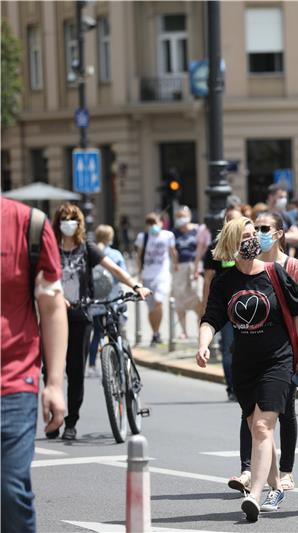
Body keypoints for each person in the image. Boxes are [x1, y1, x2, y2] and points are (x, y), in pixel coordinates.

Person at [196, 217, 298, 522]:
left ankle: (255, 495)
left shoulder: (276, 274)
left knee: (262, 427)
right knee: (256, 427)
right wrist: (203, 344)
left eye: (255, 234)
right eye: (245, 236)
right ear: (232, 244)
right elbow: (211, 318)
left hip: (278, 360)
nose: (252, 240)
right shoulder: (224, 282)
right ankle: (275, 486)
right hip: (244, 365)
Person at [227, 212, 298, 495]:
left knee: (285, 410)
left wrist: (284, 311)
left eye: (264, 228)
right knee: (252, 413)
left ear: (279, 233)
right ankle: (248, 469)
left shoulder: (292, 266)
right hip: (254, 345)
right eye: (255, 228)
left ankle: (286, 471)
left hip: (285, 347)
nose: (258, 232)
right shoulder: (246, 268)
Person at [53, 204, 149, 440]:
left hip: (80, 315)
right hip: (54, 316)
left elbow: (114, 268)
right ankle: (53, 416)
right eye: (64, 219)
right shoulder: (51, 249)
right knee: (51, 370)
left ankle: (71, 423)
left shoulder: (87, 248)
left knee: (75, 371)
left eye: (72, 219)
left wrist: (135, 285)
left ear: (79, 223)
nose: (68, 223)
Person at [1, 198, 68, 533]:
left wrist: (54, 383)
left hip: (12, 383)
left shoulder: (28, 225)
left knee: (9, 490)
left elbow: (52, 307)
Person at [202, 206, 242, 400]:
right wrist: (206, 305)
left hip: (247, 303)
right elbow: (208, 279)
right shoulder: (215, 247)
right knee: (228, 347)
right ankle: (232, 388)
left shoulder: (248, 244)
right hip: (225, 304)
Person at [86, 224, 129, 377]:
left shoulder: (92, 253)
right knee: (114, 332)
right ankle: (118, 366)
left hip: (97, 301)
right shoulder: (115, 254)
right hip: (114, 300)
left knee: (96, 334)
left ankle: (91, 366)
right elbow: (123, 274)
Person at [135, 212, 177, 346]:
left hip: (162, 275)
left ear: (161, 222)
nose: (153, 225)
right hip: (147, 275)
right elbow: (139, 256)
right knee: (151, 308)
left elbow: (173, 251)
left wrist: (175, 265)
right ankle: (155, 333)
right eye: (150, 223)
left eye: (155, 222)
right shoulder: (143, 237)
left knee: (159, 301)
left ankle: (157, 332)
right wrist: (139, 273)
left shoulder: (168, 235)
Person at [171, 206, 203, 339]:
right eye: (178, 216)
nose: (181, 219)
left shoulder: (197, 230)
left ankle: (200, 328)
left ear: (189, 215)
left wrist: (196, 267)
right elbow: (172, 249)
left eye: (183, 215)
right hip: (179, 268)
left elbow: (201, 248)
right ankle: (184, 330)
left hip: (194, 266)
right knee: (180, 299)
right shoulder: (174, 232)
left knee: (198, 296)